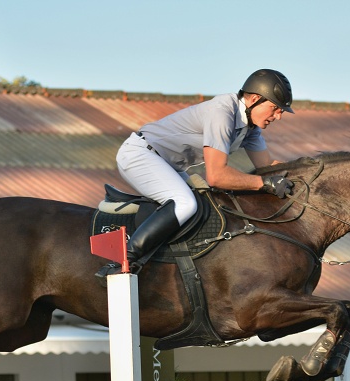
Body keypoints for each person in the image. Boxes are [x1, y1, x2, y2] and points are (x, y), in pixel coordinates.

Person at [96, 68, 296, 280]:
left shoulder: (250, 127)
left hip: (166, 164)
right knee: (185, 204)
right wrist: (265, 183)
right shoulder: (222, 112)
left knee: (206, 204)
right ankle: (124, 260)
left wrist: (301, 178)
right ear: (255, 99)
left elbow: (267, 165)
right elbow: (217, 176)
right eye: (275, 108)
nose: (278, 116)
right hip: (139, 155)